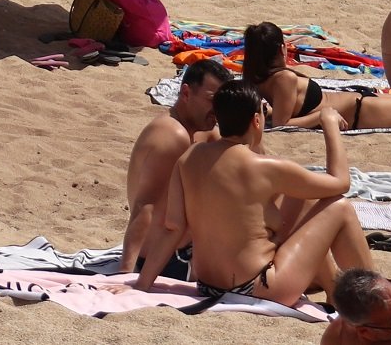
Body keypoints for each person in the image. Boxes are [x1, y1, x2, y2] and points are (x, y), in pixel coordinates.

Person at [132, 82, 371, 307]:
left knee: (302, 197)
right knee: (340, 207)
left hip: (208, 286)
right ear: (257, 121)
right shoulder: (266, 167)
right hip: (258, 286)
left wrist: (142, 285)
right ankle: (372, 300)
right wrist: (328, 123)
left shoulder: (188, 159)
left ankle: (333, 292)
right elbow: (341, 183)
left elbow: (172, 228)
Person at [121, 59, 230, 275]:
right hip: (169, 262)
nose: (217, 110)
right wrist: (125, 273)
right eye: (211, 101)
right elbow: (145, 205)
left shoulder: (202, 132)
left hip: (183, 254)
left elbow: (247, 165)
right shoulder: (173, 136)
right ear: (186, 93)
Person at [243, 22, 391, 132]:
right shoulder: (284, 78)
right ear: (281, 48)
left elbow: (278, 112)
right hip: (361, 111)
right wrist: (320, 116)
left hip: (360, 100)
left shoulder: (256, 79)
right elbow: (281, 124)